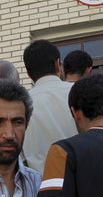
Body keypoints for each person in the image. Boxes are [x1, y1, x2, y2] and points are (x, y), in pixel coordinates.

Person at [22, 39, 77, 173]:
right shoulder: (79, 91)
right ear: (58, 64)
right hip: (83, 180)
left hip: (41, 186)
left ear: (29, 74)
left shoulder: (21, 103)